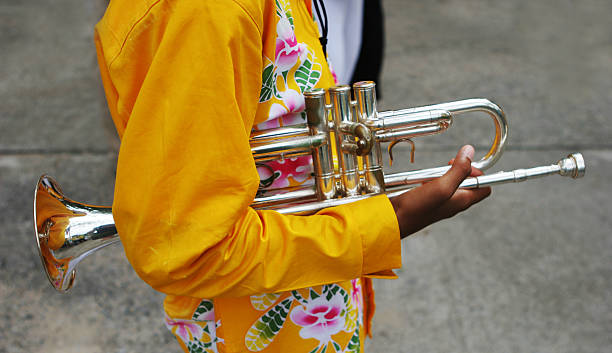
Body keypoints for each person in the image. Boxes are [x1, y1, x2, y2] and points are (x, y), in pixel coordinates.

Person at [94, 0, 490, 352]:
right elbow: (190, 252)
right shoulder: (206, 12)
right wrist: (392, 219)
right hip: (256, 325)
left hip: (312, 302)